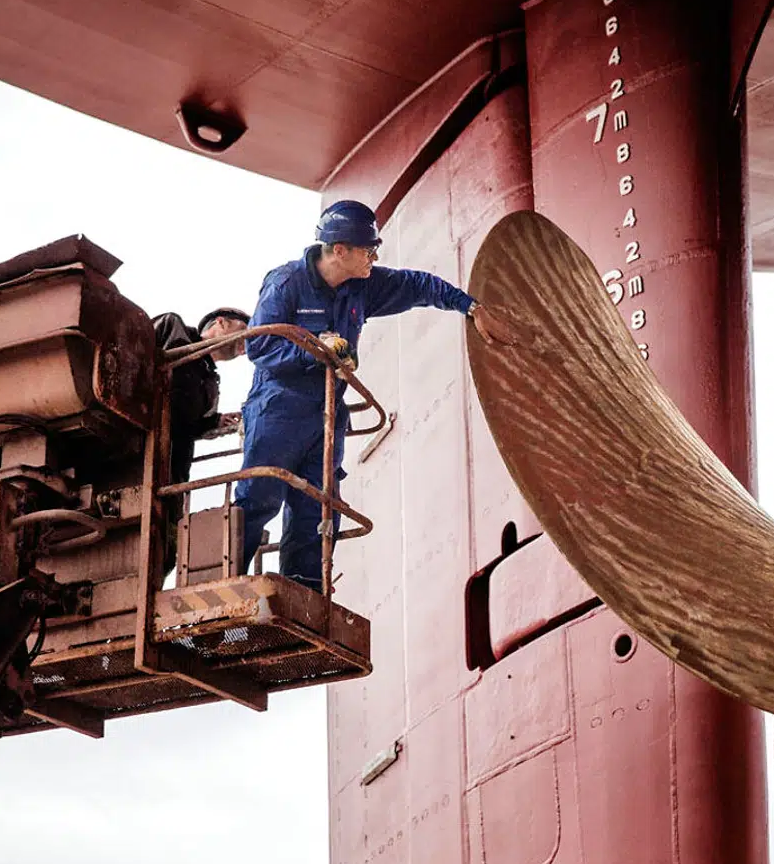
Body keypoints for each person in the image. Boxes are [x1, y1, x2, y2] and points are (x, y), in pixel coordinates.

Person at [235, 199, 518, 591]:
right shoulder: (286, 283)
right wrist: (316, 350)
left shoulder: (362, 287)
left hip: (326, 416)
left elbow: (418, 286)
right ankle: (224, 589)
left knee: (316, 508)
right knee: (259, 497)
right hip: (278, 409)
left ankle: (303, 598)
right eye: (369, 250)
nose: (374, 257)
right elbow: (259, 347)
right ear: (340, 251)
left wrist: (471, 307)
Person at [152, 307, 250, 485]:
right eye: (244, 332)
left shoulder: (210, 383)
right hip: (133, 445)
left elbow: (184, 424)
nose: (245, 348)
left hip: (169, 476)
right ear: (221, 322)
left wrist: (215, 422)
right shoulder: (172, 326)